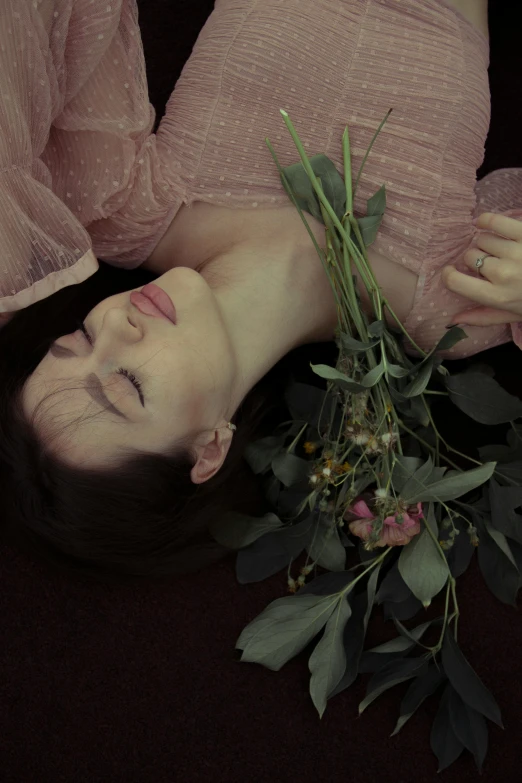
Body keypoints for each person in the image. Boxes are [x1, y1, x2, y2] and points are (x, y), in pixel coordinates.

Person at [0, 0, 521, 581]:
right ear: (209, 449)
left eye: (80, 337)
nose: (115, 325)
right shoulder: (441, 308)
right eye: (127, 382)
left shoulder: (121, 206)